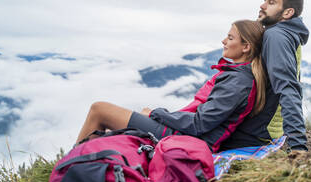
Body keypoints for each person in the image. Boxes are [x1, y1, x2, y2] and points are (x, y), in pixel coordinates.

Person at [76, 20, 266, 152]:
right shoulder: (239, 77)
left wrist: (156, 114)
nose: (223, 41)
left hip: (190, 140)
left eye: (230, 38)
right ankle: (83, 166)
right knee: (110, 129)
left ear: (246, 47)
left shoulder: (238, 81)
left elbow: (200, 123)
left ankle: (64, 170)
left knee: (99, 110)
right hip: (189, 134)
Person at [222, 0, 309, 151]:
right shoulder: (285, 33)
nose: (262, 6)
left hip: (254, 133)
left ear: (287, 12)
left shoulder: (276, 36)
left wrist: (298, 146)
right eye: (265, 0)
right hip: (260, 128)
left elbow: (288, 87)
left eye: (271, 3)